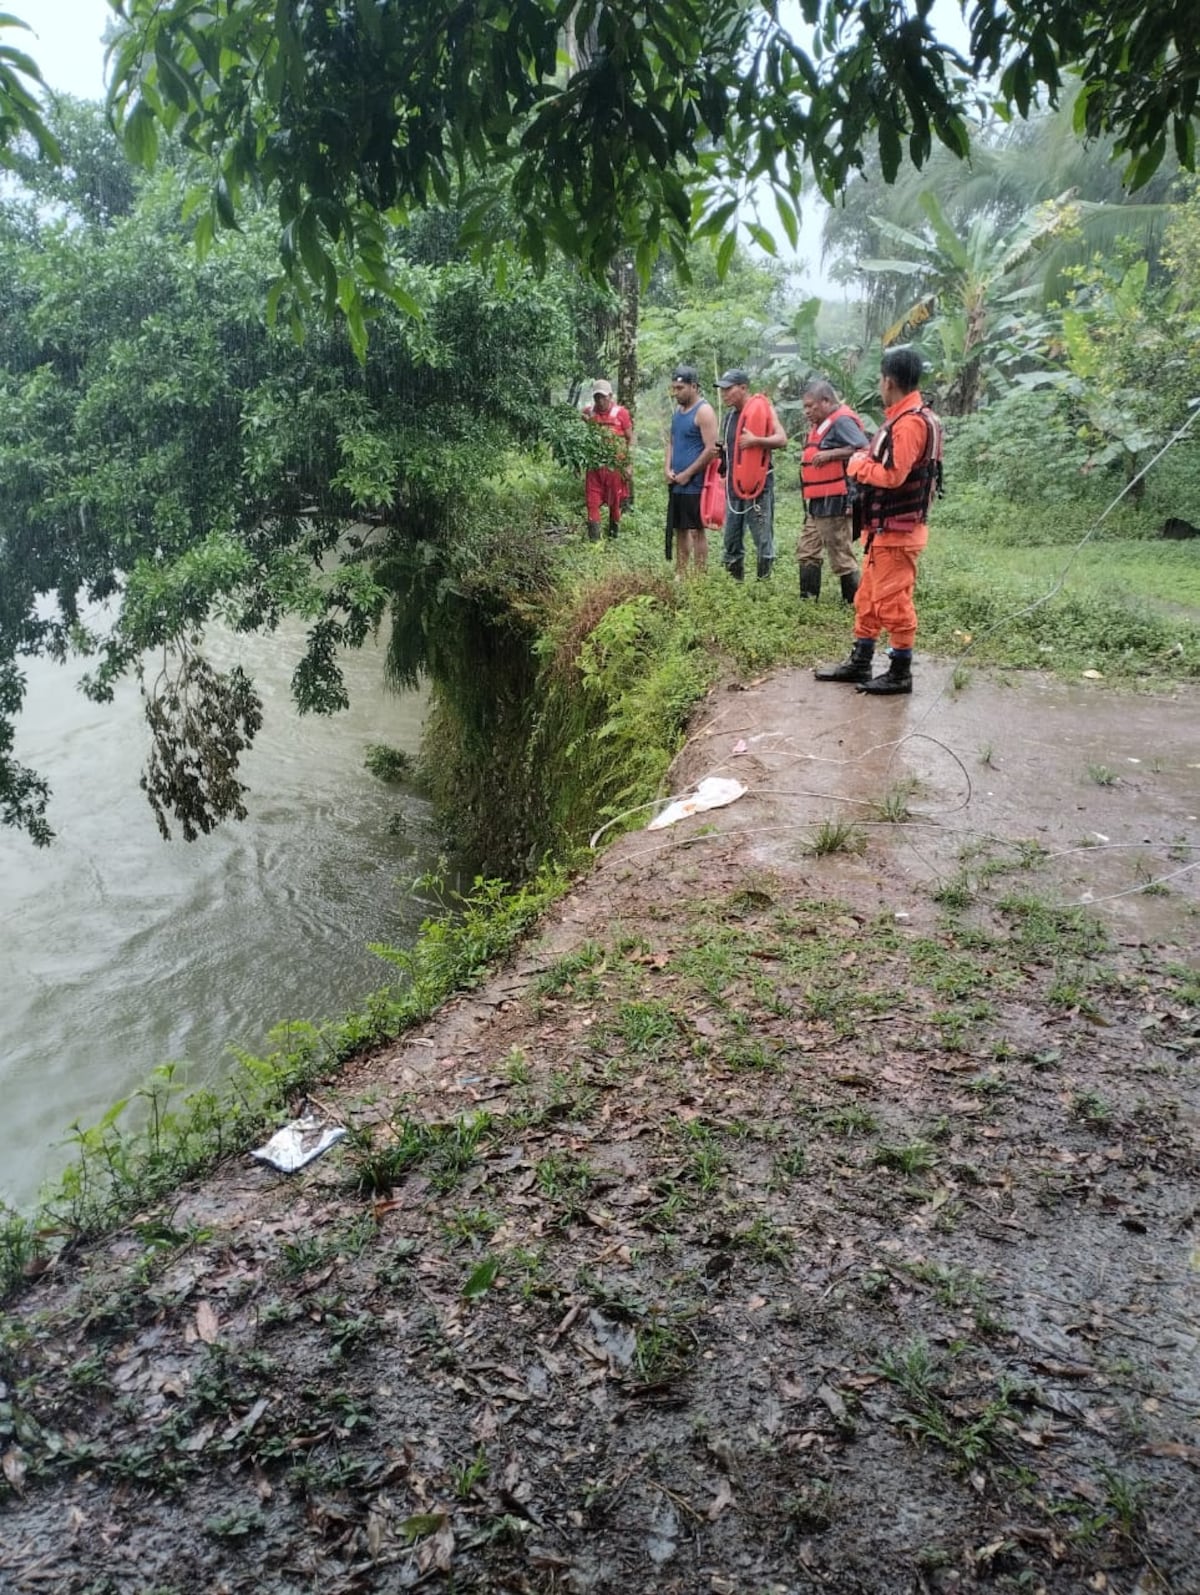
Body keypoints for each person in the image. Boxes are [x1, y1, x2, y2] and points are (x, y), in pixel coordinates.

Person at [814, 347, 943, 696]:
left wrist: (857, 465)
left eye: (880, 379)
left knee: (894, 602)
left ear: (888, 381)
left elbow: (894, 475)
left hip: (899, 532)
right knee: (868, 599)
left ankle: (900, 671)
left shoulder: (912, 423)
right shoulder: (906, 417)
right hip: (884, 530)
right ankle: (861, 660)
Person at [798, 379, 870, 603]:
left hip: (837, 499)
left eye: (811, 406)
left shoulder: (842, 421)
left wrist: (831, 455)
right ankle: (808, 601)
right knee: (807, 548)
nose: (807, 411)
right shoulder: (821, 424)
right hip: (818, 500)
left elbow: (863, 448)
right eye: (805, 407)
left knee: (840, 553)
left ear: (827, 401)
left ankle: (854, 603)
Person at [715, 369, 788, 581]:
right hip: (733, 486)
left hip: (759, 486)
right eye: (722, 390)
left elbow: (782, 439)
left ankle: (763, 586)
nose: (724, 394)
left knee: (762, 538)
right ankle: (734, 585)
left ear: (744, 388)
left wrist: (757, 441)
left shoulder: (763, 410)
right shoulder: (729, 417)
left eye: (729, 389)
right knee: (731, 538)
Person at [664, 365, 719, 576]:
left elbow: (711, 449)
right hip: (677, 482)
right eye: (674, 388)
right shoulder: (678, 412)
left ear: (694, 386)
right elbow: (672, 441)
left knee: (697, 530)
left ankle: (699, 576)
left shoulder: (704, 411)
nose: (676, 393)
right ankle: (680, 572)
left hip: (696, 483)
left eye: (680, 388)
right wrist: (667, 467)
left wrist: (689, 473)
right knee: (680, 529)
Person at [581, 379, 633, 540]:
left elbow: (630, 439)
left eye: (603, 397)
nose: (600, 401)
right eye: (597, 397)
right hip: (595, 468)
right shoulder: (589, 412)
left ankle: (613, 537)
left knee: (615, 503)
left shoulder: (621, 413)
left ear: (610, 396)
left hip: (615, 469)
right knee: (592, 503)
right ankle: (594, 543)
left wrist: (629, 465)